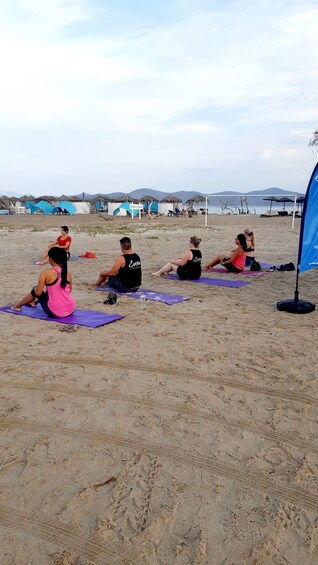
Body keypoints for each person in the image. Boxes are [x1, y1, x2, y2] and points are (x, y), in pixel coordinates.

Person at [11, 247, 76, 317]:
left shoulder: (45, 273)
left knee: (35, 289)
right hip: (70, 309)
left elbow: (38, 293)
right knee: (52, 291)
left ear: (51, 259)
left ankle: (17, 306)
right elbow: (69, 291)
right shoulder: (68, 273)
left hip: (54, 312)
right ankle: (34, 302)